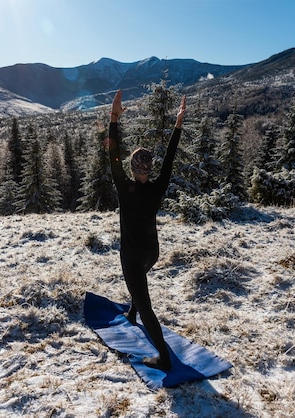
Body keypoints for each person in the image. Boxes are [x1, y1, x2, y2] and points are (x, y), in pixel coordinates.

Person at [107, 89, 186, 371]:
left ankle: (163, 357)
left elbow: (112, 153)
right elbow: (170, 159)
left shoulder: (124, 188)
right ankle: (131, 312)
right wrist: (178, 123)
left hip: (132, 254)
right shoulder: (157, 187)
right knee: (138, 290)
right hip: (152, 252)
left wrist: (113, 118)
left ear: (132, 168)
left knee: (146, 305)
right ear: (148, 170)